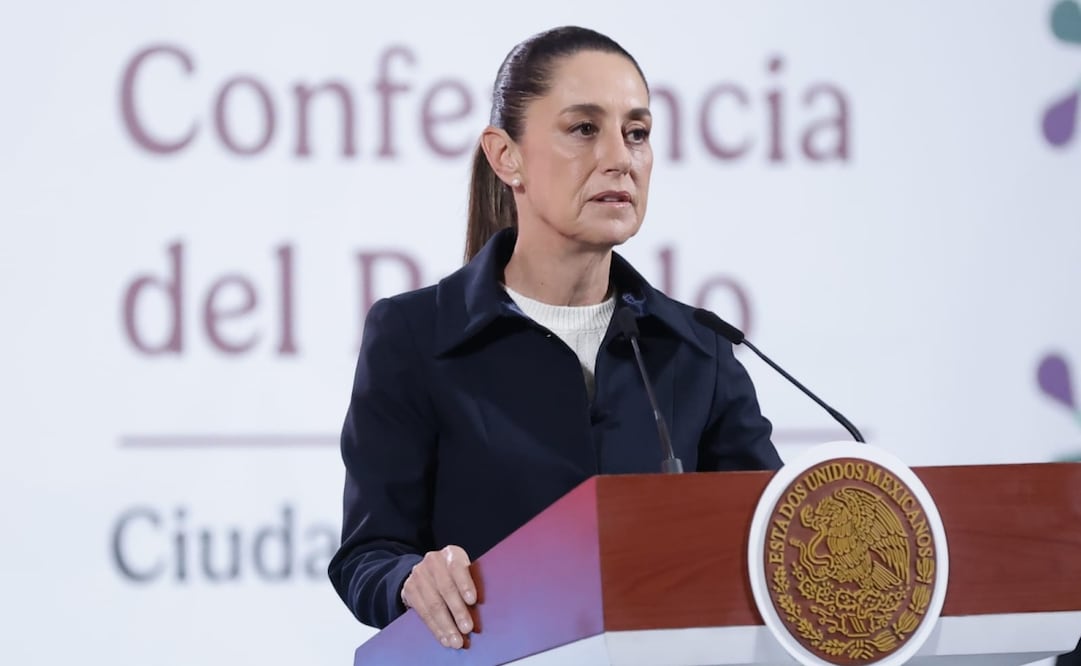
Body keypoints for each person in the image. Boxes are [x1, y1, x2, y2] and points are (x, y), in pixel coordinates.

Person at [327, 25, 783, 650]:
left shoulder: (695, 349)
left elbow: (775, 545)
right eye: (584, 129)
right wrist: (412, 579)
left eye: (638, 133)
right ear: (504, 155)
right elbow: (368, 556)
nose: (620, 157)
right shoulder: (415, 338)